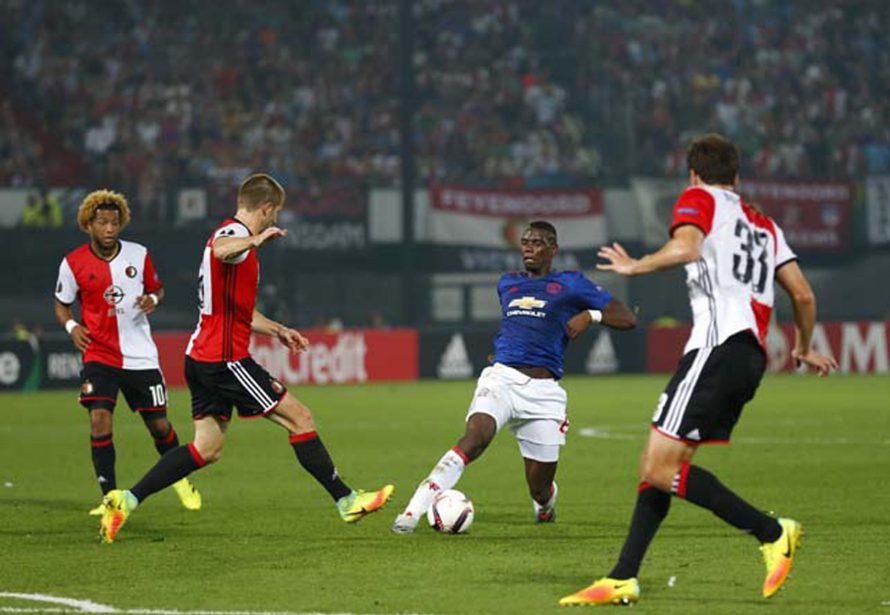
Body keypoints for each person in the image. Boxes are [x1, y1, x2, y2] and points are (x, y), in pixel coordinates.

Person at [560, 134, 838, 606]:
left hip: (717, 347)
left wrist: (636, 267)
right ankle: (623, 576)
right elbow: (804, 295)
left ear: (694, 174)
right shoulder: (766, 226)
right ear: (737, 176)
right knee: (662, 465)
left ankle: (773, 532)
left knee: (656, 465)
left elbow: (687, 249)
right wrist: (804, 347)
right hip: (749, 355)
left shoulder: (698, 198)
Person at [98, 173, 394, 543]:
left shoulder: (235, 243)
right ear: (266, 208)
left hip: (201, 356)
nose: (274, 221)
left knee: (206, 449)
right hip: (225, 360)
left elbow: (243, 313)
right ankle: (347, 500)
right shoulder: (230, 236)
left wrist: (279, 330)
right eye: (275, 214)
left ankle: (124, 500)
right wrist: (255, 238)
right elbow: (223, 249)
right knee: (300, 418)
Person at [391, 220, 637, 533]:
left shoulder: (572, 283)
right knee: (475, 438)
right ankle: (412, 513)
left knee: (539, 486)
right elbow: (518, 326)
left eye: (537, 242)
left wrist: (591, 315)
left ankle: (545, 505)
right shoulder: (508, 283)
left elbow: (628, 318)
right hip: (501, 380)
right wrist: (504, 355)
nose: (529, 248)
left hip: (544, 393)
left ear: (553, 249)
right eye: (525, 242)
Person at [54, 189, 201, 515]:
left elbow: (157, 288)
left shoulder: (139, 254)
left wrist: (155, 300)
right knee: (100, 420)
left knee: (159, 426)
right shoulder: (72, 262)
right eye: (103, 222)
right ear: (88, 224)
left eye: (114, 223)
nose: (109, 228)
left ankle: (179, 477)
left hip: (140, 356)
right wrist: (72, 327)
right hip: (99, 355)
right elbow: (62, 305)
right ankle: (110, 499)